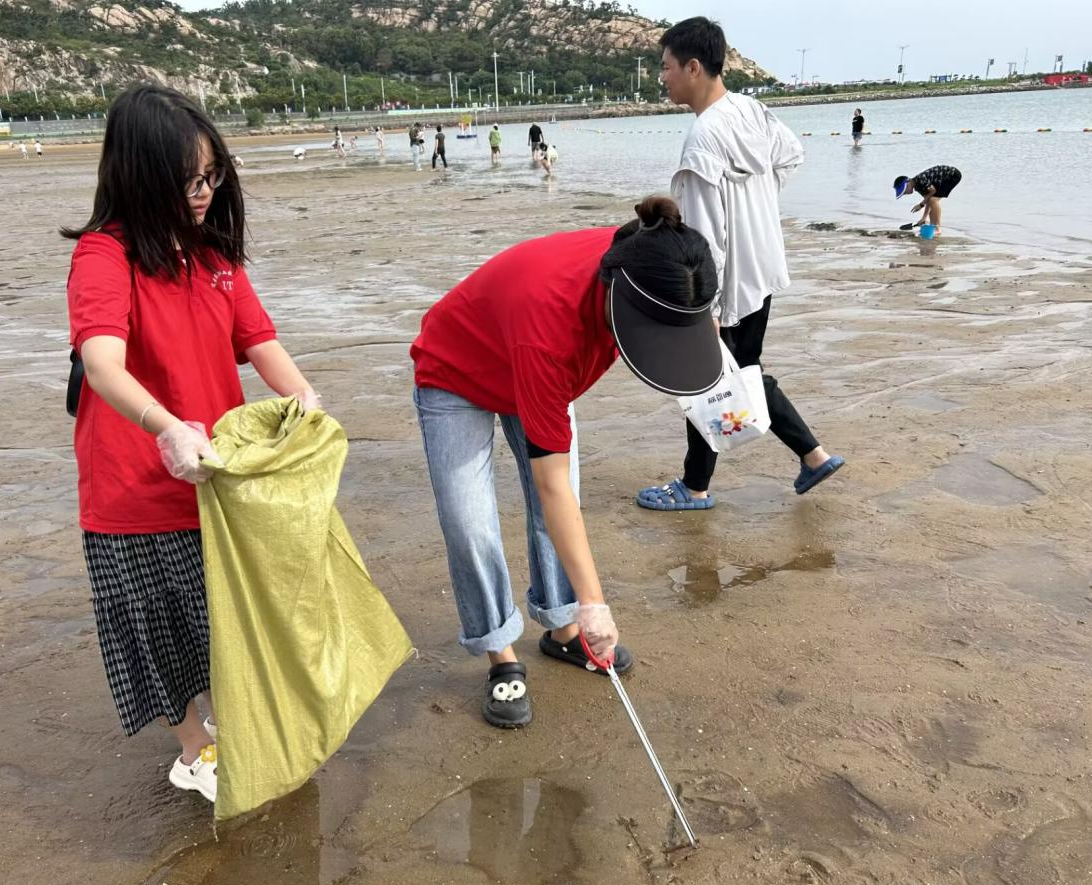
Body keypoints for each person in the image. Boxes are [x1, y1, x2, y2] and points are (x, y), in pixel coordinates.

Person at [61, 85, 319, 803]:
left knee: (224, 620)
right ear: (138, 175)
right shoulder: (103, 256)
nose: (203, 194)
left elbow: (260, 340)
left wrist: (304, 401)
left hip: (217, 479)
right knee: (158, 627)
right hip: (134, 483)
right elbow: (102, 363)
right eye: (186, 181)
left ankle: (232, 725)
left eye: (211, 177)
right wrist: (167, 427)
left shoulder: (213, 258)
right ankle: (193, 748)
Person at [410, 196, 725, 728]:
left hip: (531, 360)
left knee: (553, 510)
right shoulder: (551, 332)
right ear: (617, 303)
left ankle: (561, 631)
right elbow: (551, 486)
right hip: (457, 368)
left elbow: (692, 319)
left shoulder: (650, 252)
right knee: (472, 523)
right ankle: (500, 655)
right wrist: (596, 603)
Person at [638, 17, 844, 511]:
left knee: (707, 379)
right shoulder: (750, 110)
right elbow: (790, 156)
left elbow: (708, 235)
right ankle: (813, 457)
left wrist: (703, 305)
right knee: (740, 372)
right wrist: (759, 207)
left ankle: (695, 487)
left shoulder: (704, 138)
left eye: (666, 68)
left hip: (727, 285)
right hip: (763, 269)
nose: (661, 78)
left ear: (693, 67)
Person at [895, 165, 962, 232]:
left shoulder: (920, 181)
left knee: (933, 200)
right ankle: (932, 226)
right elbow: (928, 201)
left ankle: (937, 228)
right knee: (931, 200)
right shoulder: (917, 187)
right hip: (943, 179)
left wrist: (921, 205)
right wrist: (924, 217)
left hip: (952, 175)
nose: (905, 194)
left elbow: (933, 191)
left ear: (907, 184)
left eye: (904, 192)